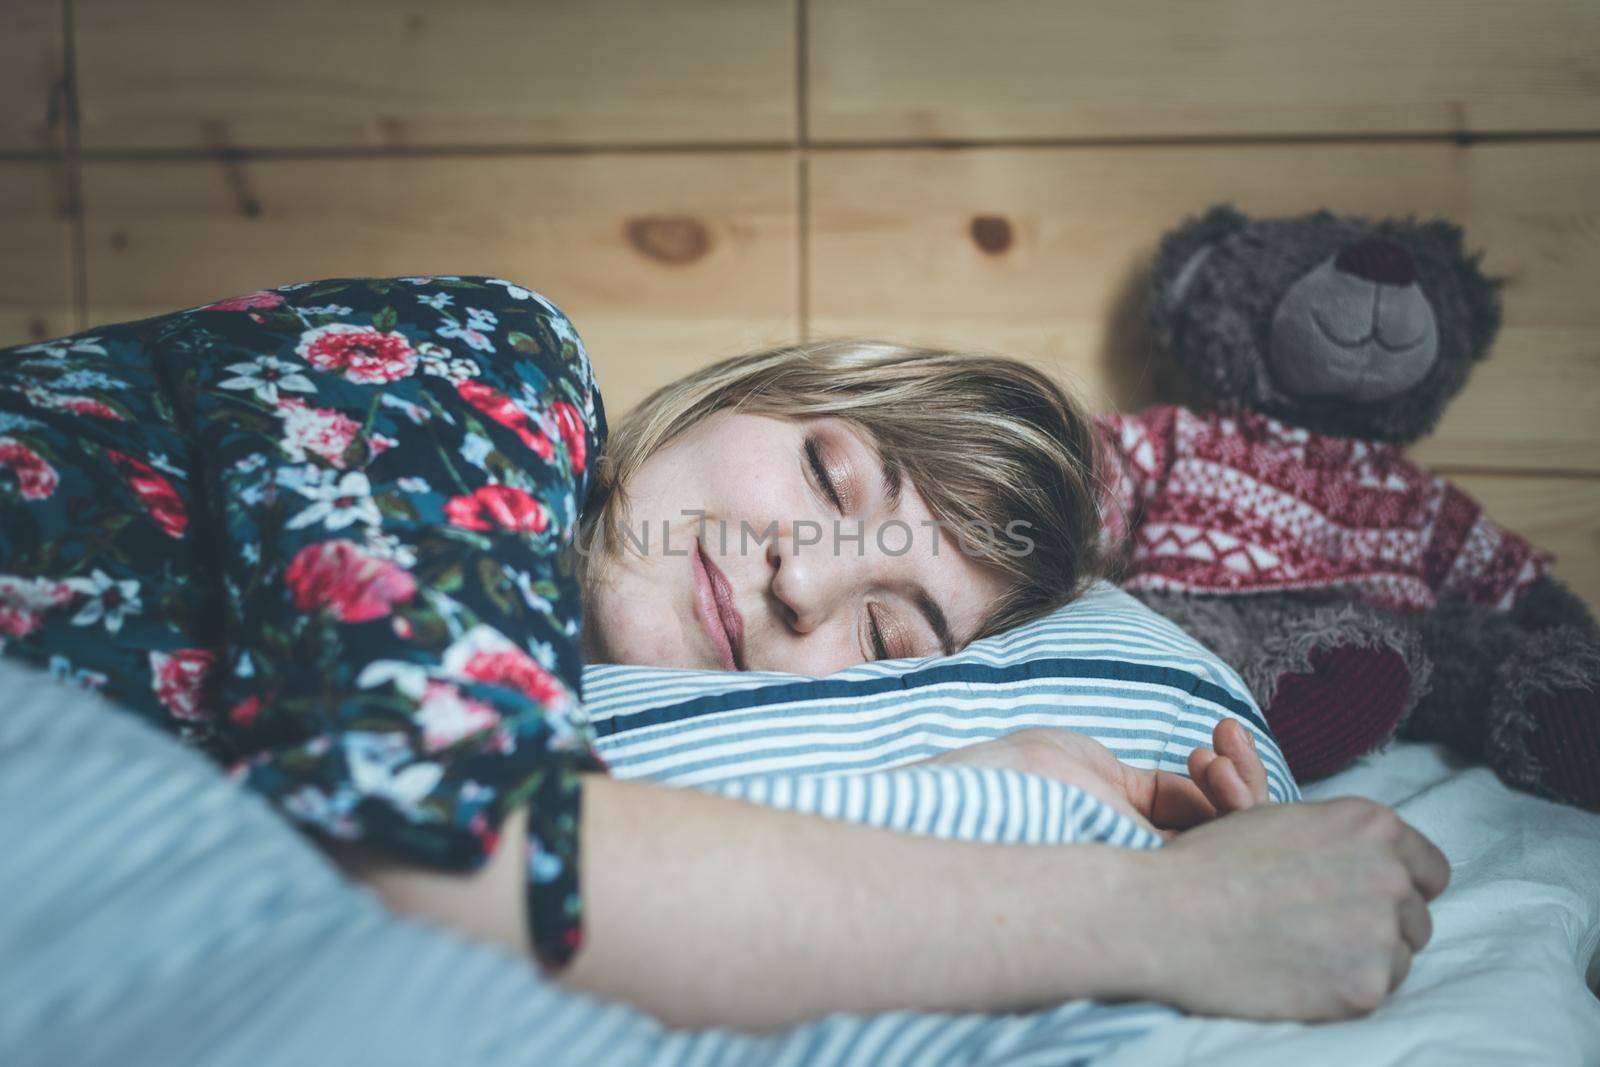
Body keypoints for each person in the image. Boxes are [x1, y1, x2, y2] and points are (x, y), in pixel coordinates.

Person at [0, 277, 1448, 1032]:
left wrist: (1022, 778)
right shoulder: (491, 361)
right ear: (753, 395)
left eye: (889, 634)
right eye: (829, 479)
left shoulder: (560, 696)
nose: (803, 584)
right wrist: (1177, 923)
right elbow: (464, 857)